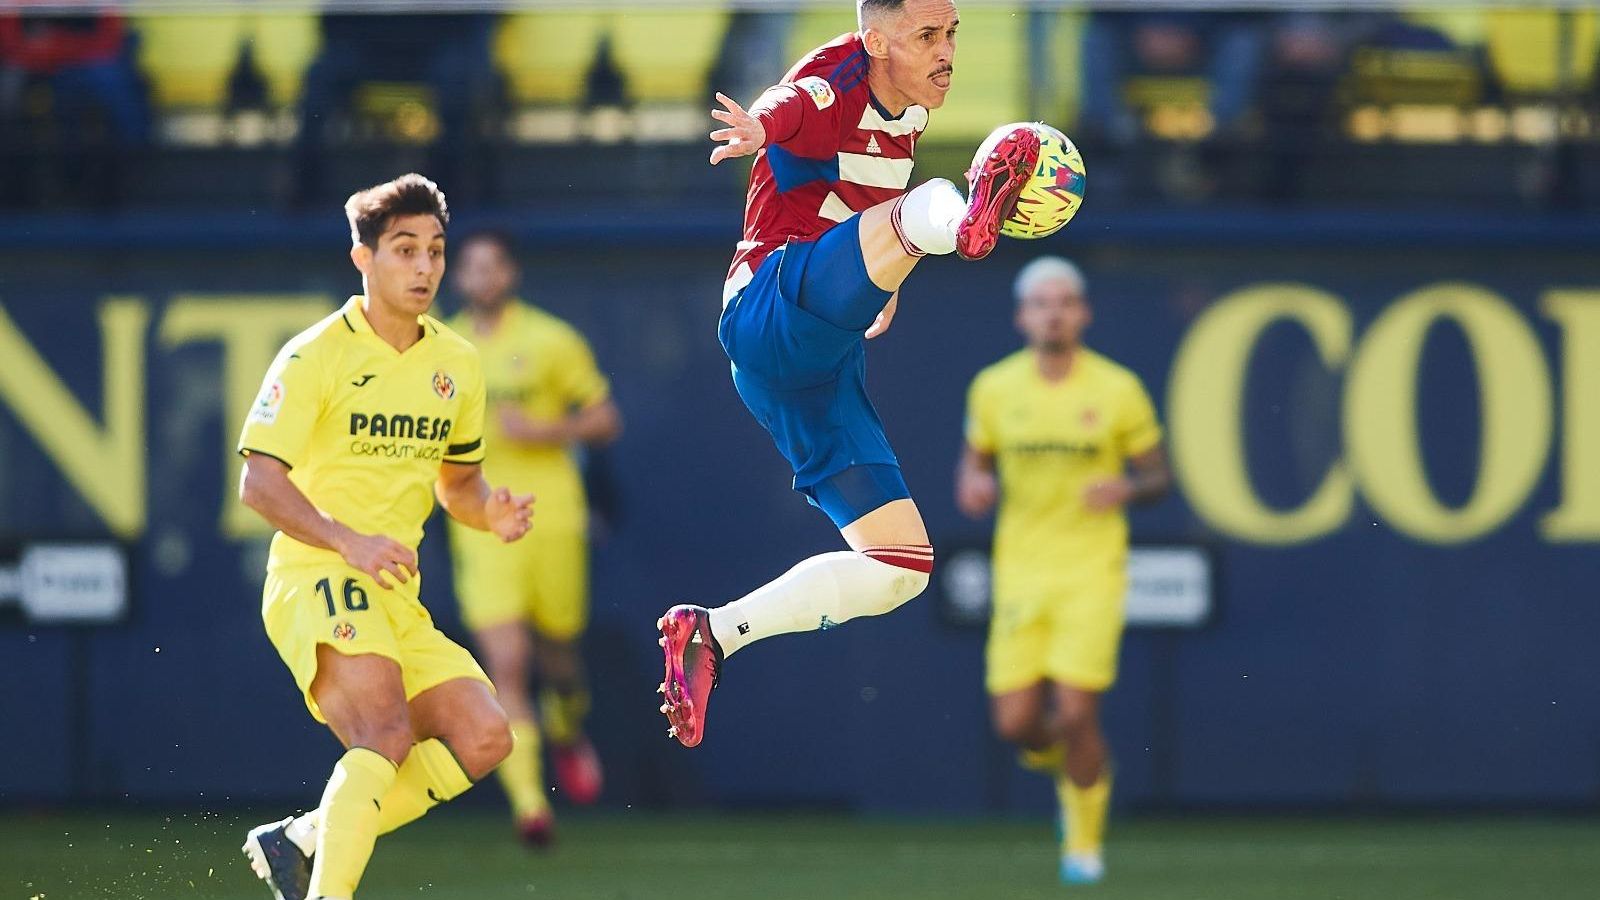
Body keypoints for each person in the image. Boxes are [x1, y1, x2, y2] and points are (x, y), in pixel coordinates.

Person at [655, 0, 1043, 748]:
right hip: (768, 304)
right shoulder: (841, 76)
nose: (946, 51)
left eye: (952, 33)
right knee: (925, 208)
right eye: (926, 35)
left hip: (807, 362)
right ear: (875, 40)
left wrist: (884, 277)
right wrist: (759, 127)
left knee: (902, 567)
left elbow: (856, 198)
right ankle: (960, 223)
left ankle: (711, 634)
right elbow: (796, 104)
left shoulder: (910, 111)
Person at [236, 173, 534, 900]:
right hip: (315, 574)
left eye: (435, 250)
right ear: (362, 258)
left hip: (393, 592)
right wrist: (348, 540)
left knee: (487, 735)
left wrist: (488, 511)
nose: (425, 267)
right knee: (384, 737)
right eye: (404, 250)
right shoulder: (314, 355)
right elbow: (260, 484)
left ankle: (304, 838)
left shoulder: (457, 364)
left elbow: (458, 486)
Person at [955, 257, 1170, 886]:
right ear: (1023, 316)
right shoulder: (994, 388)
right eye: (1041, 302)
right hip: (1021, 570)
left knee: (1078, 714)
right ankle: (1079, 771)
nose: (1054, 311)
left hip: (1091, 570)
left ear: (1083, 313)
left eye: (1065, 301)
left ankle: (1083, 844)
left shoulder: (1117, 389)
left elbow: (1158, 475)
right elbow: (974, 466)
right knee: (1017, 725)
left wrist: (1128, 489)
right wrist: (973, 484)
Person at [446, 230, 623, 844]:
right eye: (469, 266)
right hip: (480, 522)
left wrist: (543, 429)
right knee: (508, 662)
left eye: (492, 265)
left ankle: (568, 730)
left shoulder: (550, 339)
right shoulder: (441, 347)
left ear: (511, 273)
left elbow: (605, 419)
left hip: (551, 517)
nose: (481, 276)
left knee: (558, 653)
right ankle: (531, 809)